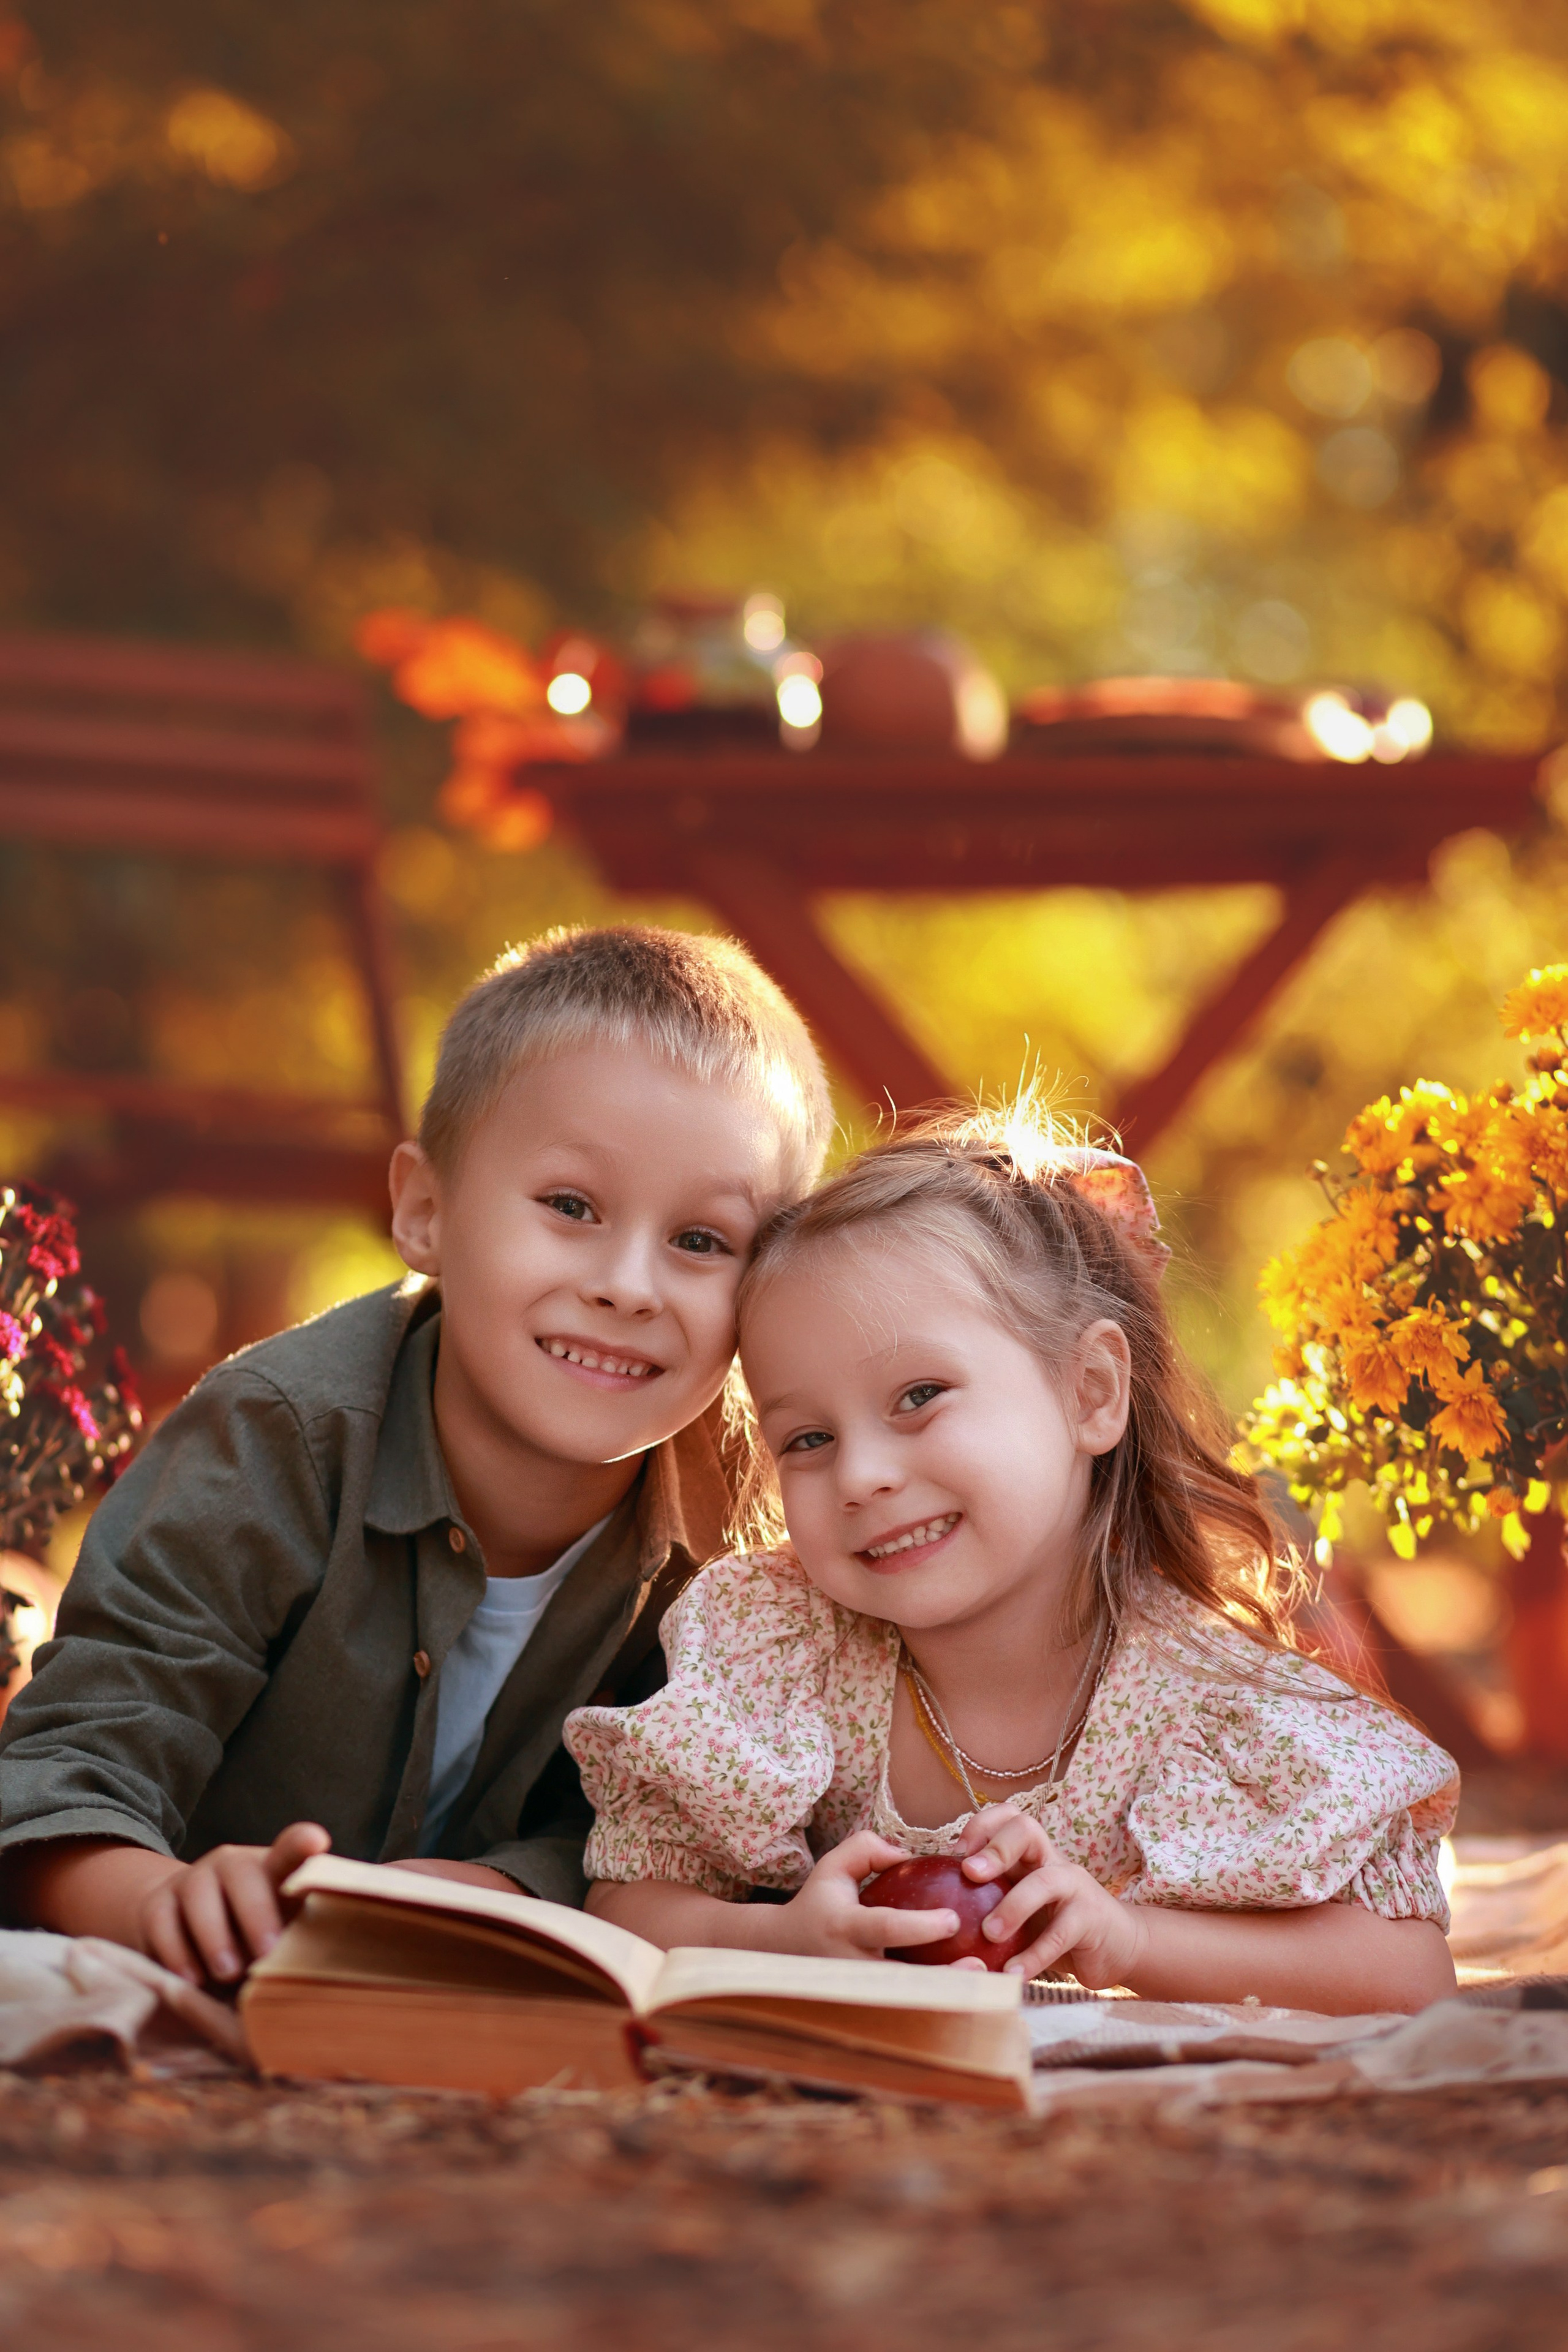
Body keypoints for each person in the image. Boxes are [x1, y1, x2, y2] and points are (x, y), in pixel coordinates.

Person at [0, 925, 830, 1989]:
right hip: (201, 1969)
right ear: (425, 1211)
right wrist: (167, 1902)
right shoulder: (273, 1441)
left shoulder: (746, 1545)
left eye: (702, 1241)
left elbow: (699, 1841)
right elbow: (66, 1775)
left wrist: (490, 1897)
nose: (630, 1285)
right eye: (571, 1208)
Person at [567, 1110, 1461, 2015]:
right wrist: (783, 1939)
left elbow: (1407, 1973)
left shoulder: (1211, 1708)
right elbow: (630, 1900)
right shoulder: (784, 1652)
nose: (863, 1475)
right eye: (808, 1437)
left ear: (1091, 1392)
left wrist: (1128, 1937)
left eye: (920, 1397)